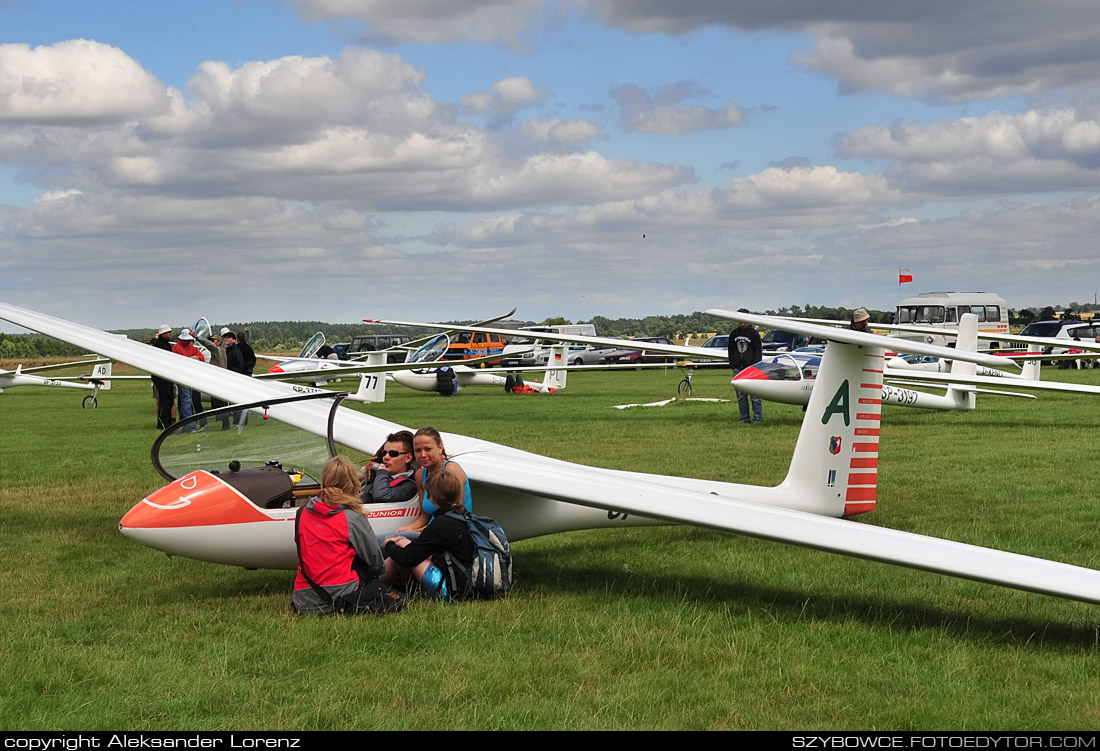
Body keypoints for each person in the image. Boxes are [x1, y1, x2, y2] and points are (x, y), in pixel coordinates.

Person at [292, 456, 405, 616]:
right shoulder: (352, 517)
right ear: (352, 482)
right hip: (342, 597)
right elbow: (376, 564)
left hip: (303, 600)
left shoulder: (302, 513)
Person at [382, 469, 476, 602]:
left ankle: (371, 582)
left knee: (402, 545)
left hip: (452, 591)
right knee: (405, 546)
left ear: (432, 497)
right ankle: (372, 581)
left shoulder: (441, 525)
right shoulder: (464, 517)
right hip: (470, 585)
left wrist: (389, 544)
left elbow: (408, 558)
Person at [393, 427, 472, 537]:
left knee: (389, 542)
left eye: (428, 449)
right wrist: (406, 529)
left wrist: (420, 532)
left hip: (453, 535)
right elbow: (424, 517)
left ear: (440, 448)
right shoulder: (420, 475)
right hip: (432, 533)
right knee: (393, 537)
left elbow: (455, 515)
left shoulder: (451, 470)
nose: (423, 455)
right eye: (418, 450)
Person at [361, 431, 419, 504]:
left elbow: (381, 496)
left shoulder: (410, 485)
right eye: (384, 453)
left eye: (393, 453)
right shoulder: (374, 473)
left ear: (408, 458)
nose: (385, 457)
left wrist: (381, 472)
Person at [728, 309, 763, 424]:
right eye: (740, 320)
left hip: (752, 368)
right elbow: (730, 351)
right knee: (741, 397)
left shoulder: (754, 334)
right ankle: (744, 419)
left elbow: (758, 350)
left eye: (744, 320)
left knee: (755, 396)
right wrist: (733, 366)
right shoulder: (734, 334)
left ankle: (758, 419)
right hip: (738, 368)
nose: (742, 323)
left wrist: (755, 366)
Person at [172, 329, 206, 430]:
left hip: (191, 377)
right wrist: (192, 358)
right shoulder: (176, 348)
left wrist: (194, 358)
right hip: (182, 377)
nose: (187, 342)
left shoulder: (190, 347)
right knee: (187, 400)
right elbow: (179, 362)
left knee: (186, 400)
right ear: (181, 339)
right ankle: (190, 427)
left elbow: (201, 357)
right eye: (186, 340)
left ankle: (184, 425)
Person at [148, 324, 176, 429]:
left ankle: (166, 422)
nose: (170, 334)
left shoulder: (166, 345)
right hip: (161, 378)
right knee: (165, 401)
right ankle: (163, 423)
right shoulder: (159, 346)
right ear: (163, 334)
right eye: (169, 332)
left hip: (167, 377)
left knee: (169, 400)